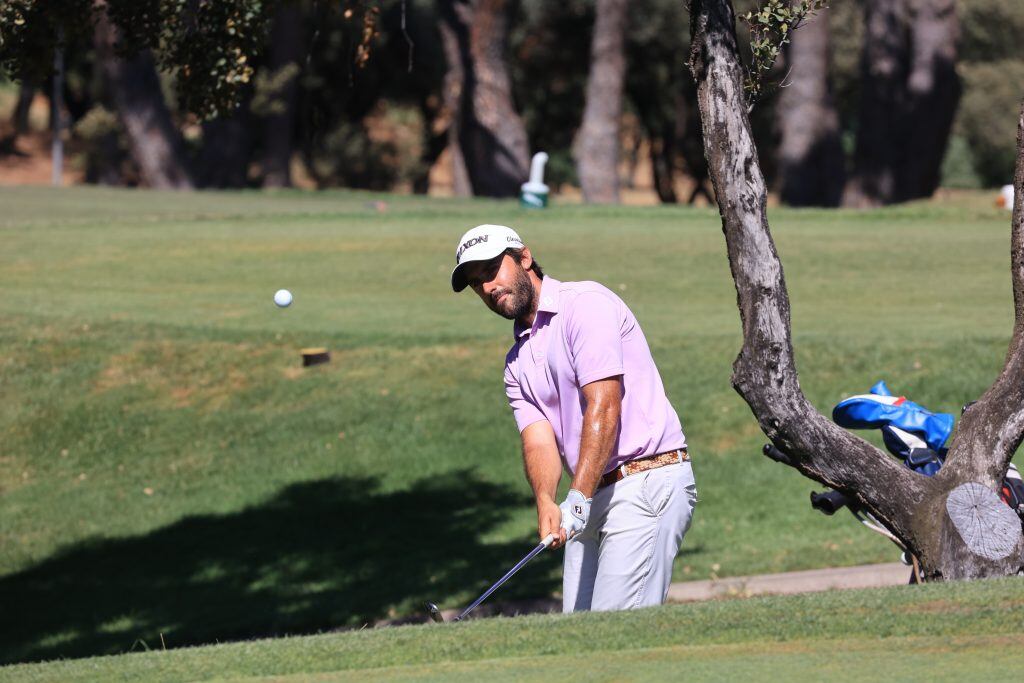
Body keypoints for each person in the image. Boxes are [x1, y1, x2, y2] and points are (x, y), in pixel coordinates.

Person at [450, 224, 697, 612]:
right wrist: (547, 501)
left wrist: (577, 496)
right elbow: (538, 440)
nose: (487, 287)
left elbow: (604, 405)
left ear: (524, 258)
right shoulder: (516, 363)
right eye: (476, 282)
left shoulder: (584, 305)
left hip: (644, 480)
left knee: (613, 637)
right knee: (579, 634)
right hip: (589, 492)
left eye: (492, 270)